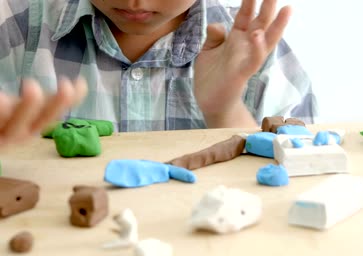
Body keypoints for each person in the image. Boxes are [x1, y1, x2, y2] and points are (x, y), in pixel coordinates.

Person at [0, 0, 316, 146]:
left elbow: (300, 189)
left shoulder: (256, 53)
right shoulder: (14, 27)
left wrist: (226, 111)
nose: (135, 0)